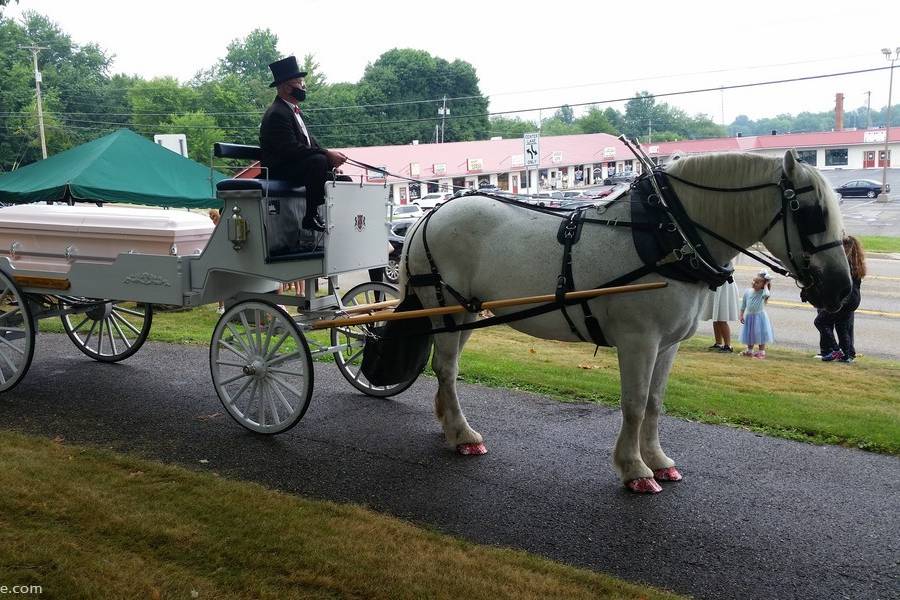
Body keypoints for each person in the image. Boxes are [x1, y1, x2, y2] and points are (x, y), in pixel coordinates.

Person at [259, 56, 347, 233]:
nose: (303, 87)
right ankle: (310, 216)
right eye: (299, 82)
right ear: (286, 87)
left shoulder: (294, 112)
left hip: (297, 167)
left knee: (343, 181)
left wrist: (332, 163)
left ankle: (342, 222)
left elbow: (310, 144)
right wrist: (326, 155)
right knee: (318, 161)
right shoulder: (277, 113)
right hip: (280, 169)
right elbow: (290, 149)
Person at [815, 236, 866, 363]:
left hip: (843, 298)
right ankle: (847, 355)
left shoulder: (844, 262)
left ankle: (836, 350)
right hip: (854, 298)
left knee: (820, 321)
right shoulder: (856, 262)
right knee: (842, 327)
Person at [739, 274, 774, 359]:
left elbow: (767, 294)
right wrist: (741, 314)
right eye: (754, 281)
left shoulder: (762, 293)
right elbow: (743, 304)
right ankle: (749, 350)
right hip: (749, 316)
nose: (754, 283)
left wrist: (766, 285)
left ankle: (761, 352)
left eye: (757, 283)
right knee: (750, 333)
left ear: (762, 285)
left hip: (759, 317)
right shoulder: (748, 291)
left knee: (760, 334)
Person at [703, 278, 739, 353]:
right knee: (716, 318)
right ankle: (718, 343)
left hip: (723, 287)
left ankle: (728, 345)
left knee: (721, 319)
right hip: (716, 285)